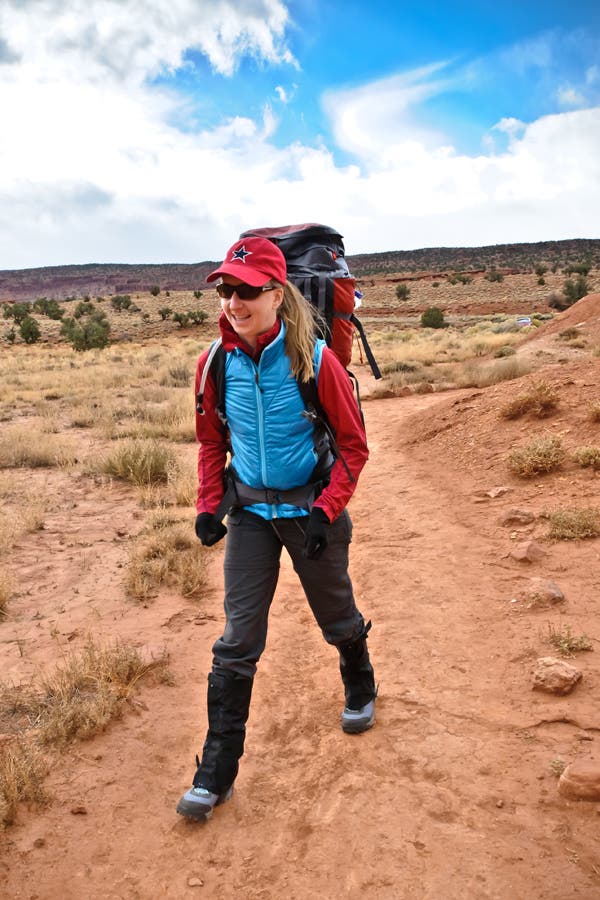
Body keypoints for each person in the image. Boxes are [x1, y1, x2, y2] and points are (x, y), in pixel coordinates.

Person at [176, 236, 376, 822]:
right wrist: (208, 506)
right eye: (225, 289)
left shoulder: (316, 360)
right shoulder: (215, 363)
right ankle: (216, 770)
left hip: (310, 510)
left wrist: (326, 510)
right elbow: (211, 442)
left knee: (335, 611)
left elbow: (354, 447)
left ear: (276, 293)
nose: (233, 302)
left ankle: (359, 679)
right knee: (237, 640)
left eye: (245, 291)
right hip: (250, 516)